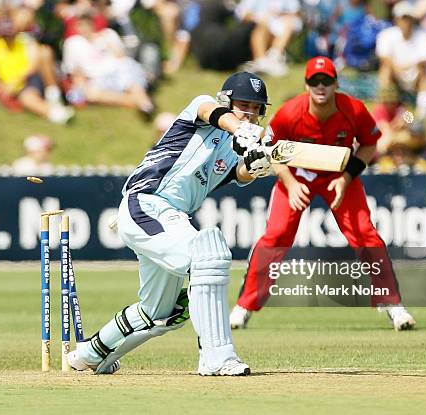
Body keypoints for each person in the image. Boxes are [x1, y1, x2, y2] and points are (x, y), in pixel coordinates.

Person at [67, 71, 272, 376]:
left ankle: (88, 355)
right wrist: (241, 128)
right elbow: (212, 113)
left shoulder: (241, 142)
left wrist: (255, 166)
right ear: (227, 101)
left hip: (171, 215)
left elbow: (237, 173)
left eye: (257, 109)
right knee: (209, 254)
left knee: (160, 312)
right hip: (147, 202)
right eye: (244, 104)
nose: (251, 113)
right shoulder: (203, 108)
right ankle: (217, 357)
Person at [229, 57, 416, 332]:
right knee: (277, 235)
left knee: (365, 233)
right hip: (297, 176)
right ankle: (244, 306)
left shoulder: (353, 109)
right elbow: (269, 150)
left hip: (338, 176)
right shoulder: (290, 112)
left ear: (336, 84)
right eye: (314, 81)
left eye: (326, 81)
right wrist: (291, 184)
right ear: (306, 85)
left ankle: (393, 305)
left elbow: (368, 144)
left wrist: (347, 177)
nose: (320, 86)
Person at [376, 1, 426, 121]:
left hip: (414, 79)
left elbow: (424, 63)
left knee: (409, 120)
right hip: (386, 128)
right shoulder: (386, 35)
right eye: (402, 18)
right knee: (385, 71)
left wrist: (404, 124)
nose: (405, 22)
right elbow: (385, 60)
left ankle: (422, 112)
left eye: (407, 18)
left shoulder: (400, 111)